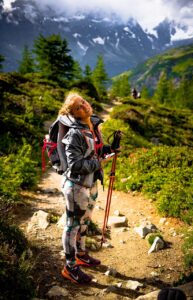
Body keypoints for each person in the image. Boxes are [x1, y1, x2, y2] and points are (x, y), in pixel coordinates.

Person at [57, 92, 114, 284]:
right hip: (76, 185)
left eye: (83, 101)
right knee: (72, 226)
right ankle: (69, 267)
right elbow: (75, 165)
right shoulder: (75, 133)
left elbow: (94, 150)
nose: (84, 105)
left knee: (85, 221)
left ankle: (81, 254)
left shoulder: (93, 125)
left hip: (91, 183)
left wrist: (108, 149)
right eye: (78, 106)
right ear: (73, 113)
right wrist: (99, 162)